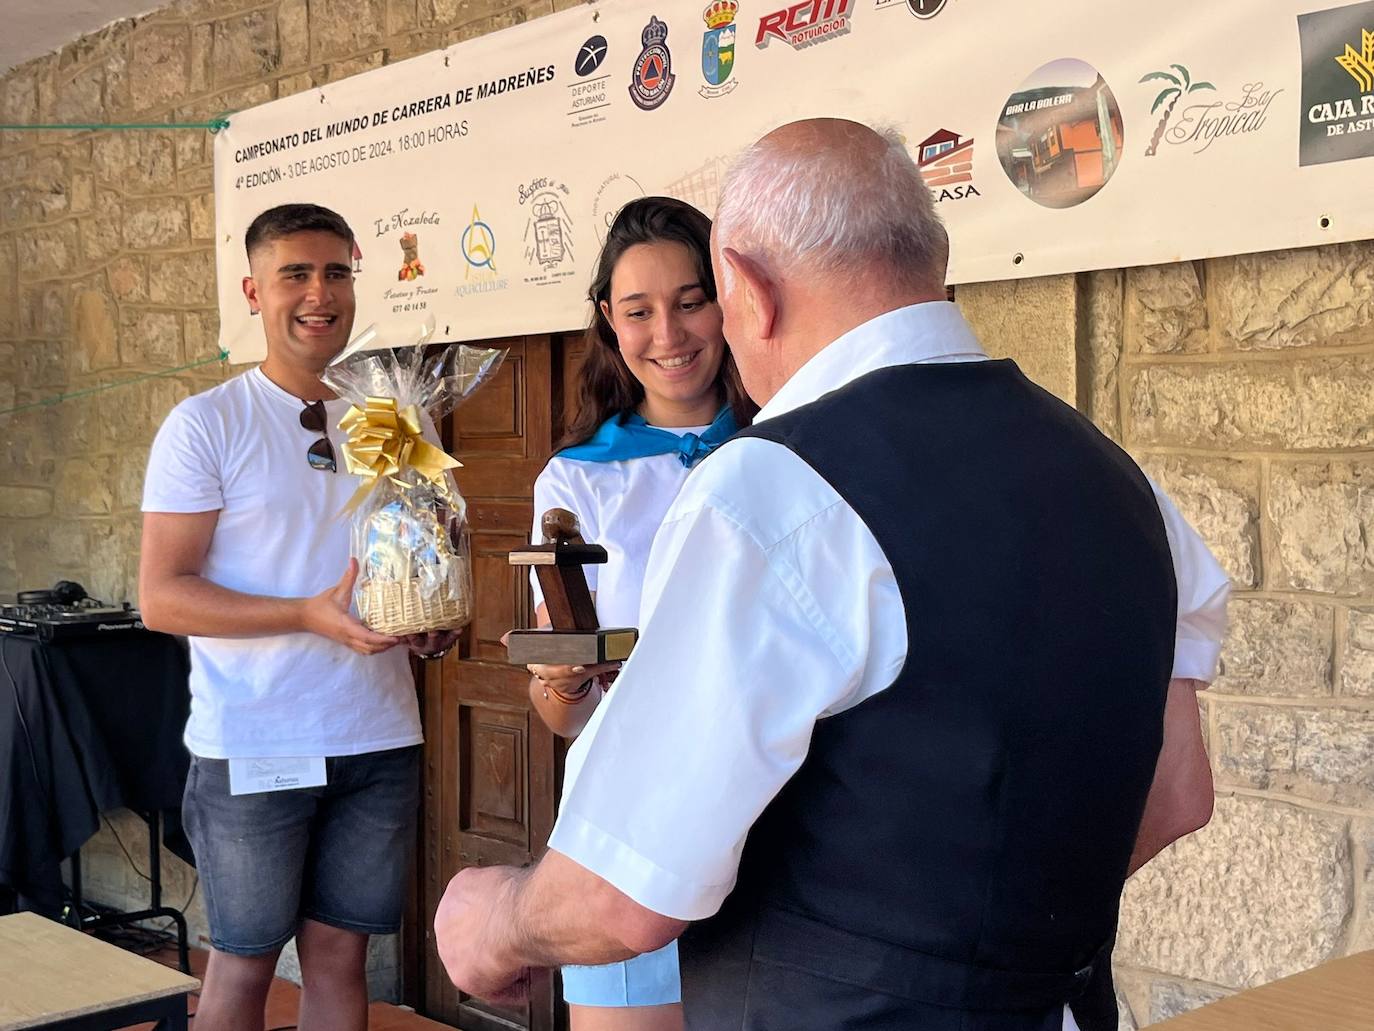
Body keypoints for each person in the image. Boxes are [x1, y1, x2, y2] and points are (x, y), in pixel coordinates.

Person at [433, 120, 1230, 1031]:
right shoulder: (1124, 482)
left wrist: (494, 918)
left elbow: (624, 896)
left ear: (750, 290)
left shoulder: (773, 485)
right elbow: (1176, 793)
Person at [139, 203, 455, 1031]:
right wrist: (305, 616)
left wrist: (431, 618)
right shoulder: (206, 424)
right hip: (256, 742)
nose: (320, 293)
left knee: (340, 958)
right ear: (254, 290)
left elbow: (419, 556)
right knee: (241, 964)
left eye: (337, 272)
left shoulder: (393, 417)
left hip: (377, 733)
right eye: (296, 274)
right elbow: (162, 594)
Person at [521, 196, 756, 1031]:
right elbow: (561, 716)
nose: (670, 332)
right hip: (631, 827)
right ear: (606, 321)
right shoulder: (577, 483)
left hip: (780, 821)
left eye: (692, 300)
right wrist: (561, 679)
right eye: (639, 310)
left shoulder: (786, 449)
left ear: (731, 297)